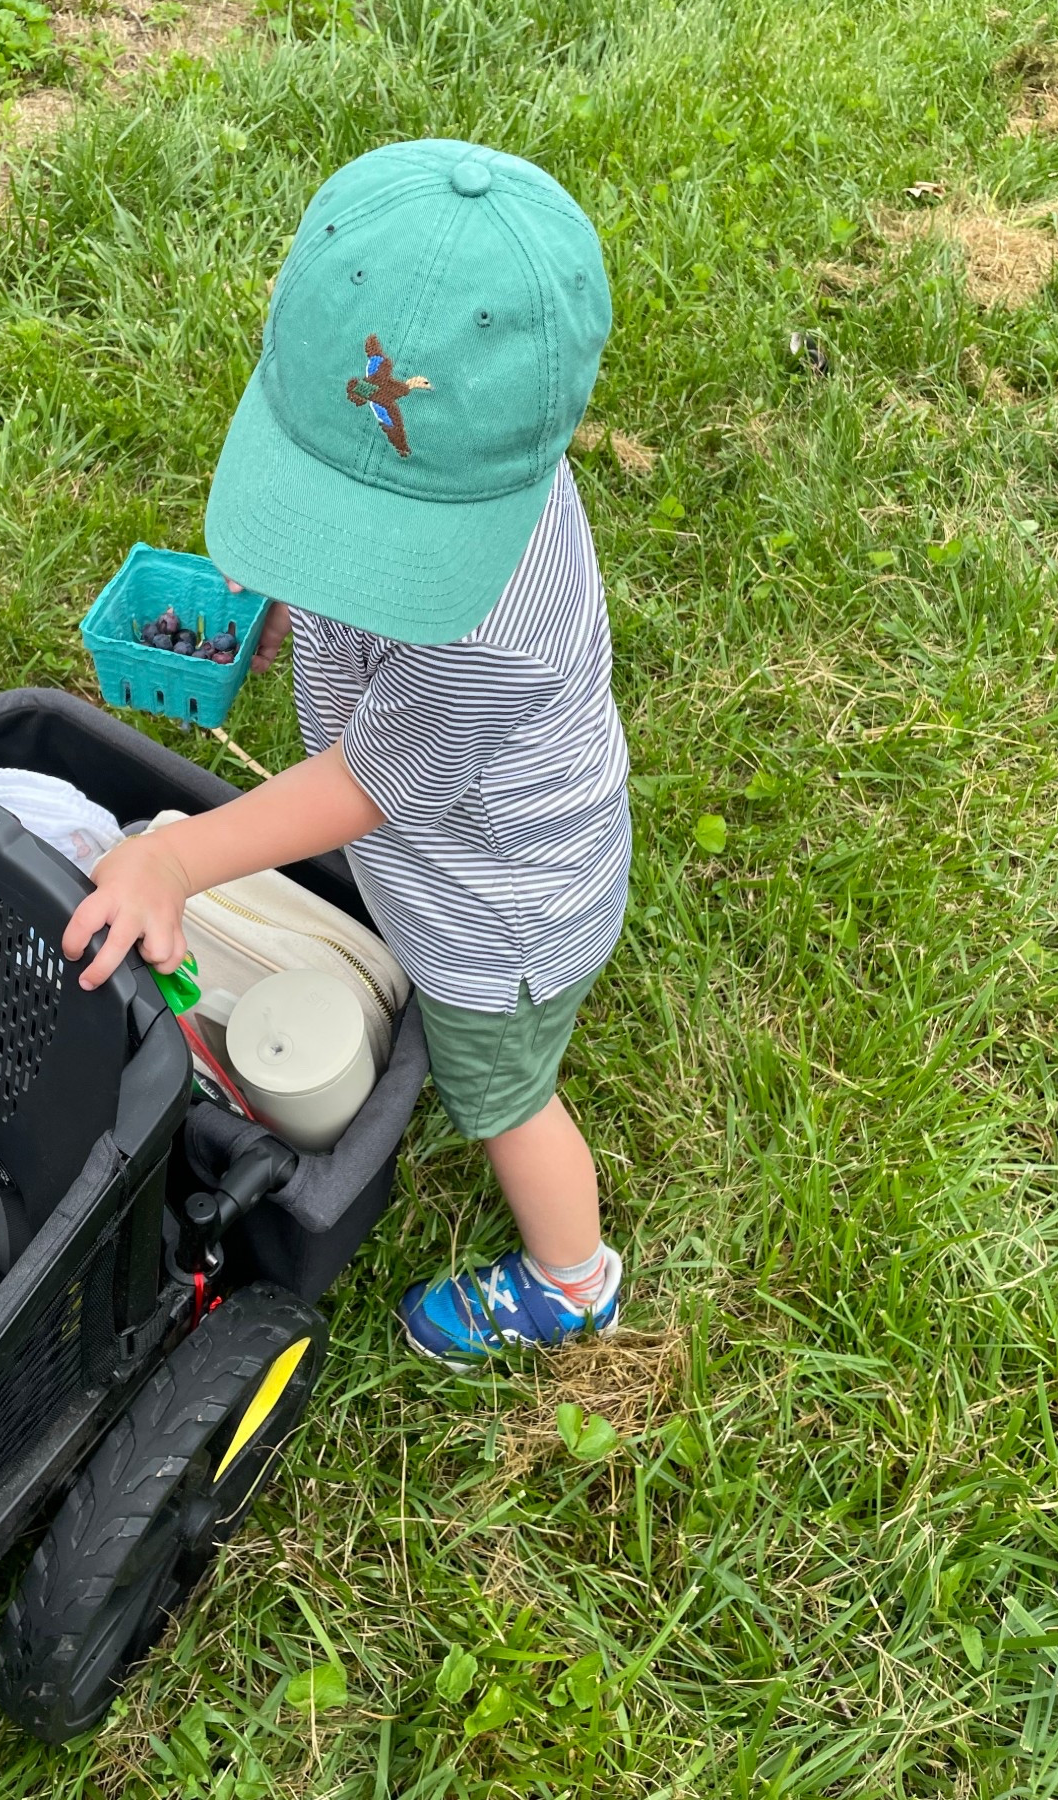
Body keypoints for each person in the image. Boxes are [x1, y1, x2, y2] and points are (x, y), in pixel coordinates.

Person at [62, 137, 631, 1366]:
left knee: (504, 1095)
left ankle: (571, 1278)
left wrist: (179, 862)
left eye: (371, 542)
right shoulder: (480, 460)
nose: (341, 557)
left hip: (504, 915)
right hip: (451, 854)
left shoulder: (499, 642)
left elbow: (364, 783)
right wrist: (294, 583)